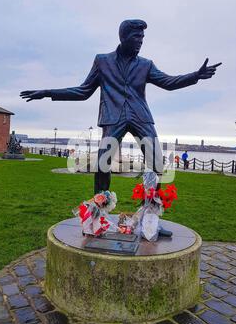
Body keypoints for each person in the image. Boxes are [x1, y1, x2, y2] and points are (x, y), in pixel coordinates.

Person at [21, 20, 221, 194]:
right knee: (102, 165)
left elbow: (168, 82)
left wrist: (195, 75)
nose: (140, 42)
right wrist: (47, 93)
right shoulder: (102, 61)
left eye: (142, 38)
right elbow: (83, 92)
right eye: (136, 37)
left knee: (157, 163)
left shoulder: (146, 64)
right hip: (112, 117)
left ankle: (150, 215)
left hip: (141, 117)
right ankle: (98, 213)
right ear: (124, 37)